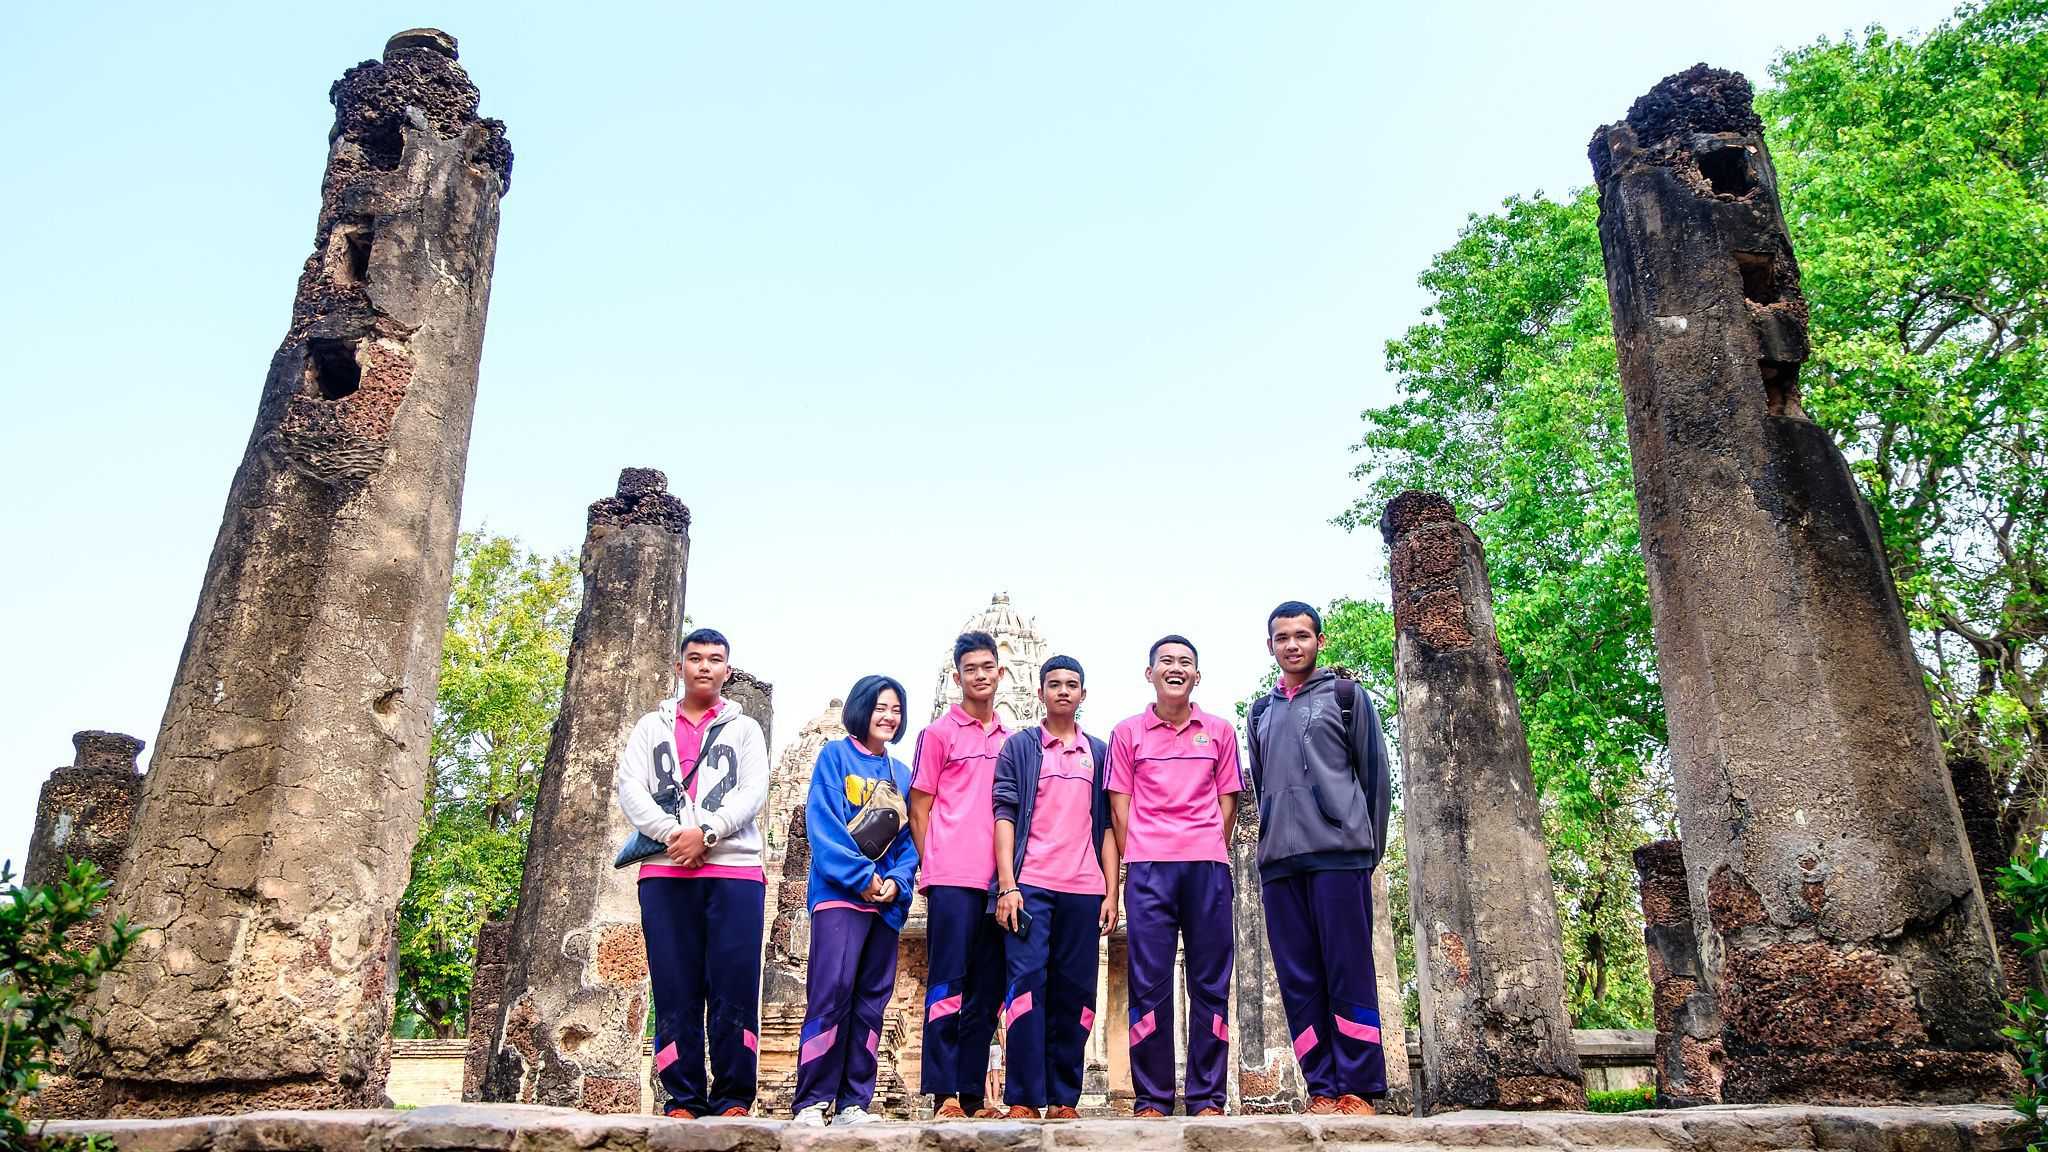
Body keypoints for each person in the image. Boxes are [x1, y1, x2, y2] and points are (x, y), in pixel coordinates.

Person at [614, 628, 771, 1119]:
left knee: (735, 984)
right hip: (666, 871)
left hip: (734, 869)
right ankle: (682, 1096)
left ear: (727, 670)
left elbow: (753, 791)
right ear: (679, 666)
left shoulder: (745, 730)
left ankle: (733, 1097)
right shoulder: (650, 728)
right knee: (674, 984)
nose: (705, 666)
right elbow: (631, 787)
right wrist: (672, 835)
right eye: (696, 657)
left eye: (715, 659)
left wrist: (706, 833)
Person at [1247, 602, 1394, 1116]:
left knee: (1348, 969)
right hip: (1280, 864)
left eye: (1302, 635)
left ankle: (1359, 1086)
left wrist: (1365, 849)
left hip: (1340, 857)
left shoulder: (1347, 697)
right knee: (1298, 979)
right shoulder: (1260, 713)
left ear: (1319, 641)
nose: (1292, 645)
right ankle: (1322, 1087)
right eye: (1282, 637)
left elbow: (1375, 777)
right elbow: (1262, 780)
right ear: (1271, 646)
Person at [1107, 635, 1243, 1118]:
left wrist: (1204, 843)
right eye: (1166, 661)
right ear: (1150, 674)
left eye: (1185, 662)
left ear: (1197, 676)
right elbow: (1119, 806)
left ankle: (1207, 1098)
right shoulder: (1127, 734)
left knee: (1210, 983)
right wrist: (1144, 850)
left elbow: (1228, 801)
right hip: (1149, 871)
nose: (1176, 668)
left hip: (1207, 868)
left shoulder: (1220, 731)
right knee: (1149, 983)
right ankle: (1153, 1098)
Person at [990, 656, 1119, 1120]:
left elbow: (1107, 827)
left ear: (1083, 694)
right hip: (1030, 887)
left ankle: (1065, 1097)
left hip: (1083, 888)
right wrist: (1007, 885)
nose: (1063, 691)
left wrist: (1111, 892)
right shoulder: (1021, 747)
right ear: (1040, 692)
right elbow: (1004, 814)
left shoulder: (1099, 752)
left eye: (1072, 684)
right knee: (1025, 987)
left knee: (1076, 992)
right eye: (1055, 684)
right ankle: (1024, 1097)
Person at [792, 675, 920, 1127]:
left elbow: (909, 841)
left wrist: (898, 882)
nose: (889, 717)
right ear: (862, 709)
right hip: (840, 896)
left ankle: (853, 1102)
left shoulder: (901, 774)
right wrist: (861, 876)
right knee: (831, 993)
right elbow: (823, 824)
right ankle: (812, 1100)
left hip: (884, 905)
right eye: (881, 707)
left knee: (870, 1002)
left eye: (896, 710)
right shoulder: (835, 757)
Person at [908, 632, 1011, 1118]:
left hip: (1001, 882)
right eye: (971, 669)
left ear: (1001, 673)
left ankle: (971, 1094)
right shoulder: (938, 734)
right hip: (952, 876)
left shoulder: (1013, 742)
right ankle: (943, 1092)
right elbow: (919, 807)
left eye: (988, 667)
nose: (980, 676)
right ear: (957, 676)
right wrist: (933, 862)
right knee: (947, 983)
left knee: (988, 989)